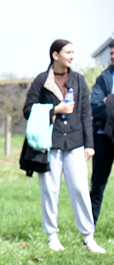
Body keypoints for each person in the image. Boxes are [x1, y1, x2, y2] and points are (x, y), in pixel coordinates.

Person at [23, 39, 104, 253]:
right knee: (50, 190)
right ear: (55, 55)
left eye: (73, 52)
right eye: (68, 52)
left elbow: (86, 113)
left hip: (76, 143)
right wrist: (55, 110)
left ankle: (88, 237)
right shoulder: (42, 80)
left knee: (80, 190)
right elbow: (27, 110)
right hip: (50, 145)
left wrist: (90, 144)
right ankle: (52, 236)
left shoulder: (78, 80)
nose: (72, 56)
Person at [89, 40, 114, 227]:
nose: (112, 56)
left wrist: (110, 101)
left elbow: (105, 104)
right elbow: (96, 106)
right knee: (97, 185)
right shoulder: (103, 78)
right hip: (102, 135)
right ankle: (90, 228)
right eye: (111, 53)